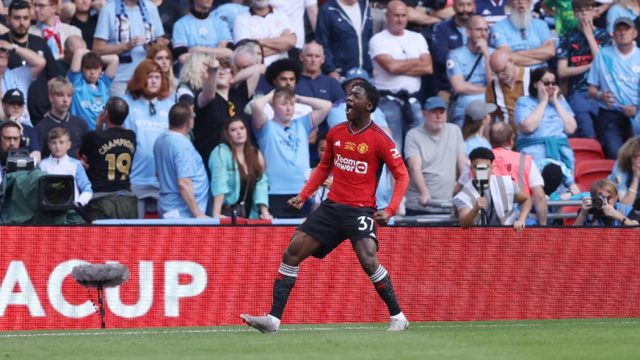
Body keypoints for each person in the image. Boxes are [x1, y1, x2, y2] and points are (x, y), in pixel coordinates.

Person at [240, 81, 411, 333]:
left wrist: (391, 209)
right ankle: (273, 320)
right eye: (348, 95)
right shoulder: (336, 132)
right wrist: (304, 194)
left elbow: (402, 175)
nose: (349, 100)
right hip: (331, 208)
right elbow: (324, 167)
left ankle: (398, 316)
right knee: (292, 252)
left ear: (369, 105)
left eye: (356, 95)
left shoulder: (380, 140)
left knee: (368, 260)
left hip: (360, 210)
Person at [251, 86, 332, 218]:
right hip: (275, 192)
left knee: (301, 237)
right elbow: (255, 105)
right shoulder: (266, 126)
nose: (289, 108)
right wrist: (271, 95)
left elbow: (326, 106)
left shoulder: (302, 124)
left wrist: (298, 98)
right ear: (272, 105)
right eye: (283, 104)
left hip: (302, 192)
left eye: (291, 104)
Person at [368, 0, 432, 153]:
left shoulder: (417, 38)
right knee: (392, 148)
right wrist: (417, 62)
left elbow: (428, 68)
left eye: (404, 15)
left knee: (419, 148)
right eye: (396, 15)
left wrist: (399, 66)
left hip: (413, 99)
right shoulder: (378, 39)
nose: (400, 19)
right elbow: (390, 67)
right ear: (387, 15)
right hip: (387, 99)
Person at [123, 59, 174, 218]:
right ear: (140, 78)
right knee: (134, 233)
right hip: (136, 179)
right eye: (149, 76)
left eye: (157, 77)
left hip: (164, 181)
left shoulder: (170, 105)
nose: (153, 81)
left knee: (168, 236)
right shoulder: (127, 104)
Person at [557, 0, 611, 139]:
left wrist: (589, 36)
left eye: (587, 9)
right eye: (579, 11)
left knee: (606, 134)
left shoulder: (604, 36)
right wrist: (587, 66)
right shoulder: (567, 38)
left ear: (594, 11)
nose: (583, 14)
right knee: (587, 132)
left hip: (601, 91)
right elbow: (562, 71)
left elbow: (602, 65)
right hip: (578, 91)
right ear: (575, 14)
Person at [587, 17, 640, 159]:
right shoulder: (602, 55)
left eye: (626, 29)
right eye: (619, 29)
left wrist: (636, 108)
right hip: (610, 113)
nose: (622, 33)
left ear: (634, 33)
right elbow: (591, 89)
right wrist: (600, 96)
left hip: (637, 113)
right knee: (614, 152)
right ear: (613, 34)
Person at [1, 0, 60, 125]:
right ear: (8, 19)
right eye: (17, 18)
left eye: (25, 18)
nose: (21, 22)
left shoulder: (40, 42)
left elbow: (53, 79)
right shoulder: (1, 44)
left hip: (42, 113)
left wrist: (52, 108)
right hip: (11, 114)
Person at [194, 56, 261, 168]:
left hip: (238, 160)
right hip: (213, 160)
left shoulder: (237, 96)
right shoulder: (204, 95)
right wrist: (214, 71)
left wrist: (233, 79)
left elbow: (256, 70)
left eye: (225, 69)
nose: (221, 72)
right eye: (218, 70)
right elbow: (209, 95)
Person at [404, 97, 467, 215]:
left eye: (442, 112)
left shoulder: (455, 130)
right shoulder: (413, 135)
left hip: (447, 204)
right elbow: (414, 168)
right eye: (434, 112)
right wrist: (424, 192)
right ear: (424, 114)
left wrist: (466, 189)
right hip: (419, 205)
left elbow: (463, 164)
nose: (439, 116)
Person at [78, 96, 138, 220]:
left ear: (107, 114)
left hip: (101, 200)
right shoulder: (131, 136)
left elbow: (83, 156)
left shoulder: (94, 136)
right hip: (126, 199)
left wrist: (98, 127)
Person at [93, 0, 166, 96]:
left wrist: (151, 46)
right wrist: (125, 46)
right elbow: (97, 49)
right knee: (120, 110)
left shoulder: (151, 7)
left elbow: (161, 42)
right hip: (119, 80)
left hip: (148, 77)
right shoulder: (108, 10)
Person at [153, 103, 209, 219]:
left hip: (169, 206)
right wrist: (198, 214)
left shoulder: (160, 140)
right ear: (189, 121)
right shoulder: (182, 146)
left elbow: (159, 174)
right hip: (183, 214)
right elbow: (184, 182)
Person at [453, 147, 531, 230]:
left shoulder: (506, 183)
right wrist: (475, 209)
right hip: (478, 238)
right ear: (471, 168)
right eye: (477, 167)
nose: (481, 171)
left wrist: (521, 220)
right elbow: (464, 224)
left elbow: (526, 199)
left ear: (491, 167)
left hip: (506, 235)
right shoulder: (465, 194)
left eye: (485, 167)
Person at [514, 67, 577, 171]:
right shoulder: (524, 102)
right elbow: (528, 127)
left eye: (553, 83)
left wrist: (556, 103)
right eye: (546, 83)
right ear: (535, 84)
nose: (551, 86)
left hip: (560, 154)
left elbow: (571, 129)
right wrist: (543, 102)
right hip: (534, 155)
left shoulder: (560, 101)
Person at [209, 117, 272, 220]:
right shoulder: (220, 152)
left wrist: (264, 211)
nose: (239, 132)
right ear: (227, 134)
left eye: (242, 128)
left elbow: (261, 183)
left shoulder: (255, 153)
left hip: (250, 213)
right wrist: (216, 213)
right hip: (227, 212)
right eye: (233, 130)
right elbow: (219, 183)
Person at [447, 15, 494, 127]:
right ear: (468, 32)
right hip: (465, 112)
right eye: (479, 29)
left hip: (490, 110)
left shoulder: (494, 54)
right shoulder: (455, 55)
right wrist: (487, 90)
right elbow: (459, 87)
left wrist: (487, 56)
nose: (483, 33)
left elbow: (493, 84)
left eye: (486, 30)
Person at [315, 0, 374, 78]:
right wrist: (330, 70)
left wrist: (373, 66)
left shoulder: (365, 6)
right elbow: (322, 43)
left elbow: (370, 39)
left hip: (366, 74)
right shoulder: (327, 9)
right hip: (341, 75)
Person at [489, 0, 555, 68]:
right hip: (516, 74)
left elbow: (550, 51)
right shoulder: (499, 27)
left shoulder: (540, 24)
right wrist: (540, 58)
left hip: (542, 74)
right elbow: (506, 57)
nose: (521, 2)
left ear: (530, 3)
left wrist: (516, 54)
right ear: (509, 3)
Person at [431, 0, 476, 97]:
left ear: (474, 7)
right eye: (461, 5)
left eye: (468, 5)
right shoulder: (441, 28)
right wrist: (472, 56)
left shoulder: (481, 27)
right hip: (447, 87)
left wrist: (454, 54)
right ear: (454, 7)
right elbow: (441, 57)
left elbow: (488, 54)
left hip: (476, 84)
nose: (465, 9)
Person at [35, 77, 89, 159]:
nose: (65, 100)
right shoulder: (40, 128)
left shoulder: (81, 124)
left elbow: (88, 152)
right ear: (51, 97)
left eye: (69, 95)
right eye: (60, 95)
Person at [39, 127, 93, 207]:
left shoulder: (76, 165)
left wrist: (78, 203)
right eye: (54, 143)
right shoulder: (42, 165)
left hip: (71, 211)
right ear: (49, 145)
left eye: (61, 142)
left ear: (68, 145)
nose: (57, 146)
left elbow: (87, 189)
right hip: (48, 211)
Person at [68, 48, 119, 130]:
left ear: (101, 69)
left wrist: (94, 58)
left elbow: (114, 59)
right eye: (88, 68)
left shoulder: (104, 84)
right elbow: (79, 52)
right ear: (82, 69)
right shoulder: (77, 83)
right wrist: (91, 57)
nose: (92, 72)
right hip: (82, 135)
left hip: (102, 135)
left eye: (96, 68)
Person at [233, 0, 296, 66]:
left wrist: (256, 42)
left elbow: (291, 42)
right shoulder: (241, 19)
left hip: (282, 69)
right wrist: (282, 44)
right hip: (257, 72)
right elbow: (245, 54)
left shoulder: (281, 14)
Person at [172, 0, 233, 64]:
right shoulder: (181, 25)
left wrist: (198, 50)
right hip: (193, 73)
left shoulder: (220, 23)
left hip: (217, 72)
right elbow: (183, 58)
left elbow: (230, 54)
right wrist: (217, 52)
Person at [486, 48, 530, 131]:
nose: (500, 76)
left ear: (512, 61)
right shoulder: (492, 86)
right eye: (496, 73)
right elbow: (489, 119)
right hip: (507, 138)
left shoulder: (533, 77)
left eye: (503, 70)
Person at [573, 178, 639, 226]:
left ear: (616, 198)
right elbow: (573, 235)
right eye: (600, 198)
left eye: (608, 198)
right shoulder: (587, 210)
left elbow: (637, 230)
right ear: (593, 198)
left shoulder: (626, 210)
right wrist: (582, 214)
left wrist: (618, 216)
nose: (605, 201)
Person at [1, 88, 40, 163]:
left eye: (19, 104)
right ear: (3, 105)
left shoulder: (29, 130)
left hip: (22, 171)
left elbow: (37, 154)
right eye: (12, 103)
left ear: (23, 107)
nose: (16, 107)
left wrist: (21, 162)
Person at [609, 137, 640, 208]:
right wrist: (635, 179)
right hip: (616, 206)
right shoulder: (620, 167)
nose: (639, 160)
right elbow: (625, 206)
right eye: (635, 156)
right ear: (629, 157)